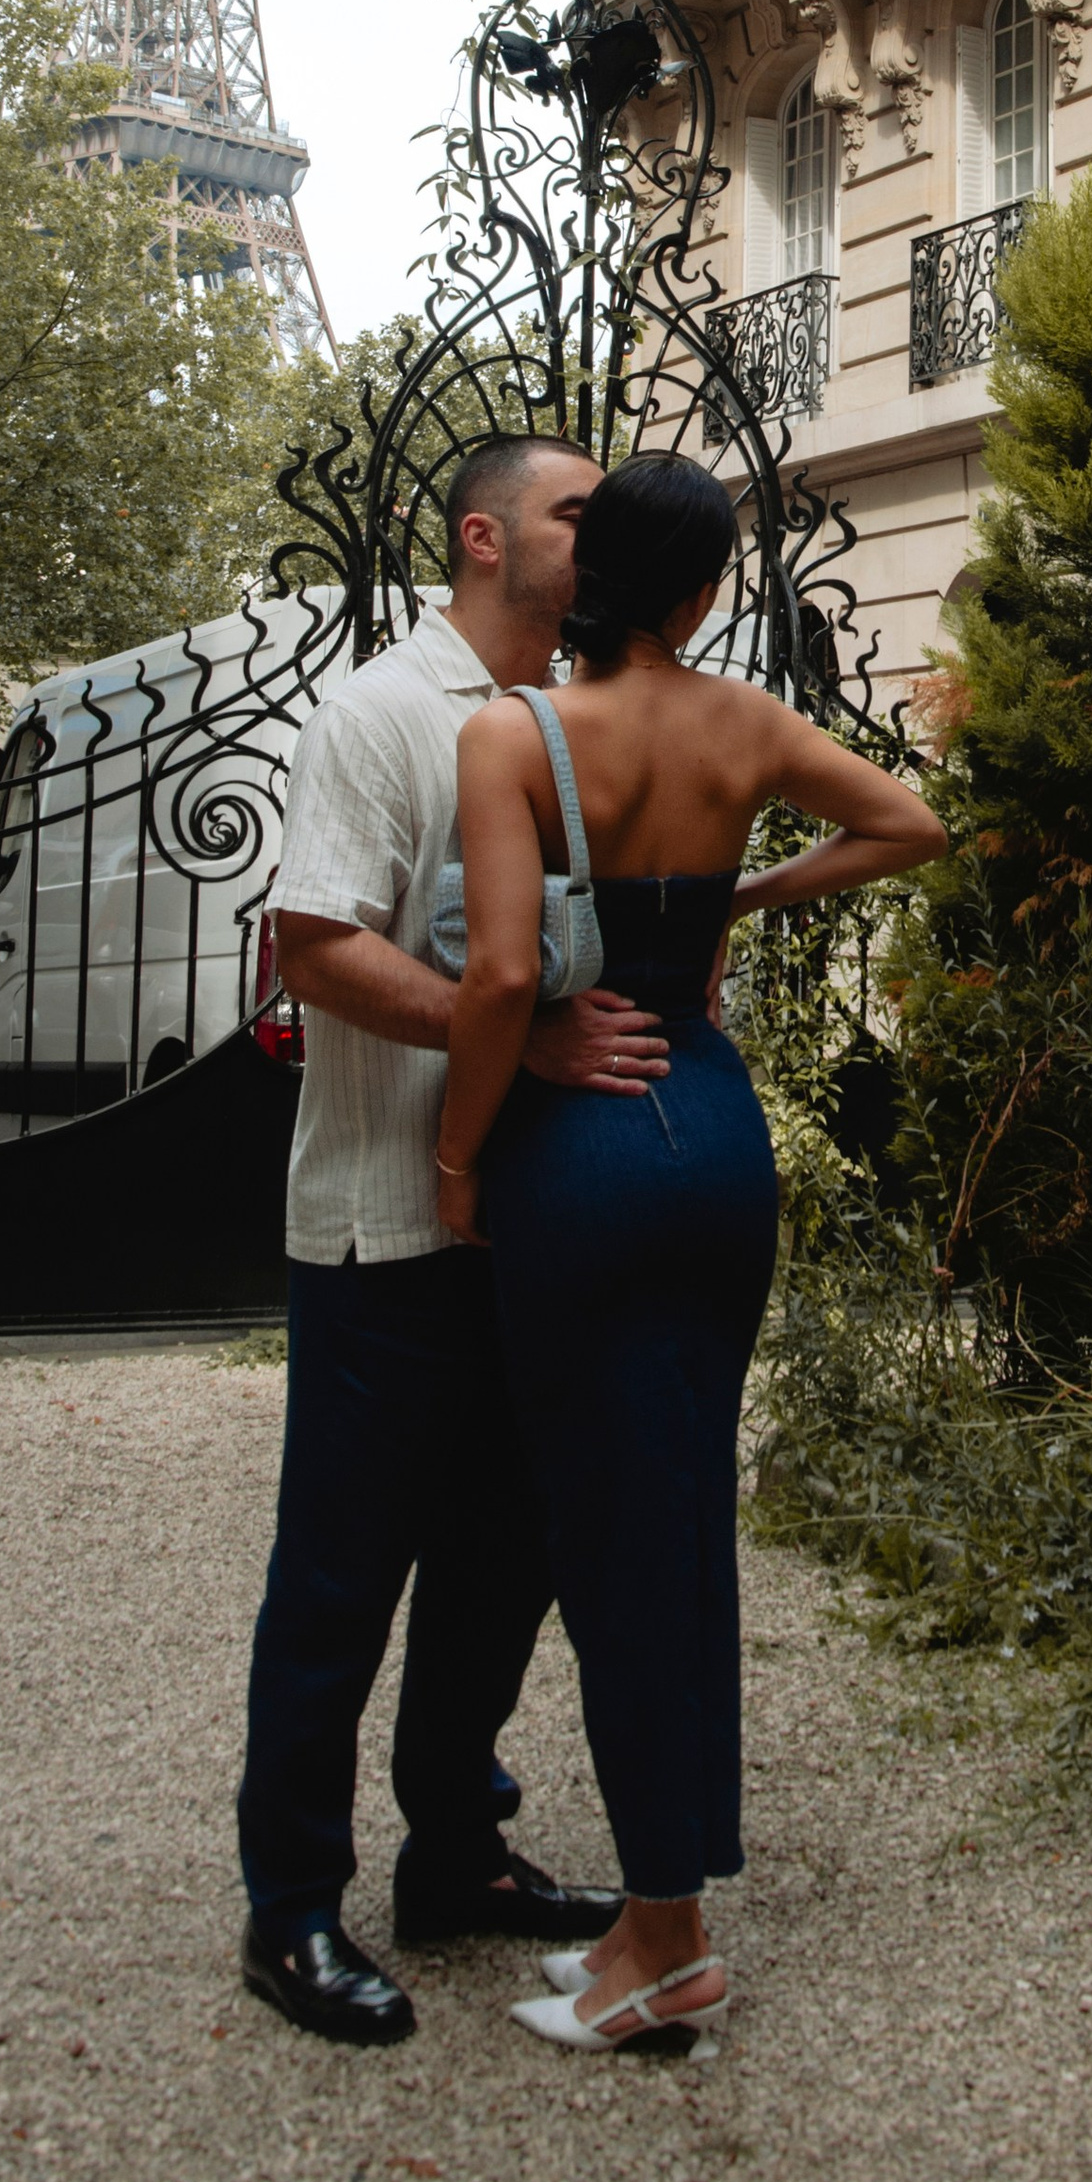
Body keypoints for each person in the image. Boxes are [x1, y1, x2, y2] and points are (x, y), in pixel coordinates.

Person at [436, 450, 945, 2054]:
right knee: (680, 1523)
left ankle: (670, 1942)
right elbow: (910, 822)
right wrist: (745, 903)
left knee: (611, 1543)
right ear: (705, 590)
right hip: (717, 1139)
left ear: (589, 582)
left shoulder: (513, 735)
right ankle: (661, 1924)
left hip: (582, 1148)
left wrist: (459, 1158)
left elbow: (509, 973)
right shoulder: (745, 725)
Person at [235, 434, 673, 2049]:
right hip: (383, 1230)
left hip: (534, 1235)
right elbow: (317, 948)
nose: (600, 534)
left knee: (505, 1570)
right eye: (576, 511)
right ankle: (289, 1910)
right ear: (486, 540)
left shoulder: (575, 721)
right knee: (341, 1584)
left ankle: (457, 1855)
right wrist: (526, 1037)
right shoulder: (379, 713)